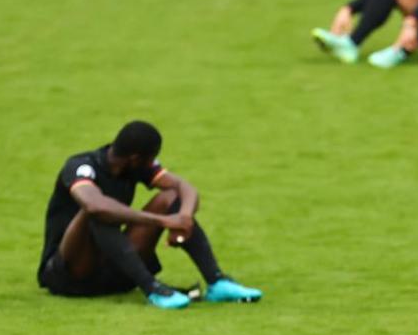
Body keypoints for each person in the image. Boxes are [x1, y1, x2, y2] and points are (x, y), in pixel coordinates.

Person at [37, 120, 262, 310]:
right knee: (97, 211)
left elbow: (184, 188)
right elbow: (96, 206)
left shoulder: (134, 166)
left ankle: (216, 281)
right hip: (71, 275)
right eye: (151, 157)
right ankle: (152, 288)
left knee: (170, 197)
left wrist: (183, 218)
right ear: (135, 158)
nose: (153, 163)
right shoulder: (81, 166)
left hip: (112, 273)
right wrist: (163, 221)